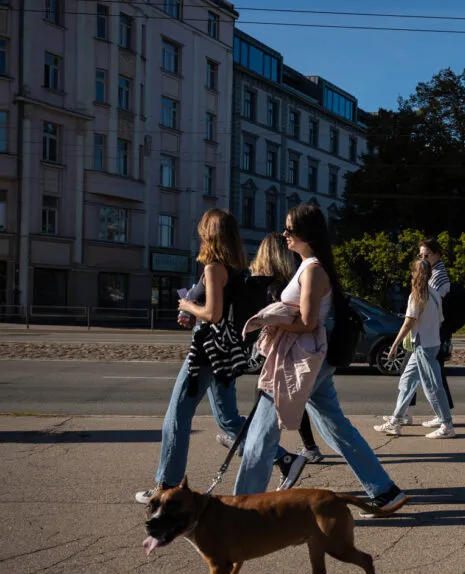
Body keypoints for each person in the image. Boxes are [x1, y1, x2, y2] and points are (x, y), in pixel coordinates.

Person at [232, 204, 408, 516]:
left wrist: (269, 320)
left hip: (298, 362)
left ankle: (242, 510)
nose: (285, 235)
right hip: (310, 360)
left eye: (290, 229)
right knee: (336, 428)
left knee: (261, 432)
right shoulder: (308, 266)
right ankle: (385, 491)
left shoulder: (313, 269)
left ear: (306, 234)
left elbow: (308, 322)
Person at [135, 209, 249, 503]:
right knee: (229, 420)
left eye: (202, 231)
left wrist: (188, 305)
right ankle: (285, 459)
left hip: (204, 354)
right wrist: (193, 314)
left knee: (176, 418)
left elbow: (213, 313)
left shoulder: (213, 269)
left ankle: (166, 487)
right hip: (223, 353)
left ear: (209, 234)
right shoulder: (237, 269)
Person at [215, 233, 325, 469]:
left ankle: (248, 442)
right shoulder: (294, 276)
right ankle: (303, 447)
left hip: (282, 345)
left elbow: (299, 320)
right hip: (292, 346)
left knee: (269, 397)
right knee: (294, 399)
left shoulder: (266, 282)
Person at [373, 257, 456, 439]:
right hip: (429, 344)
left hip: (423, 346)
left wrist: (394, 345)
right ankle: (396, 421)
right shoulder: (434, 293)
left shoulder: (417, 295)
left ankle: (447, 425)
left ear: (414, 274)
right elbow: (440, 320)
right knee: (407, 382)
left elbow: (408, 323)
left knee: (432, 386)